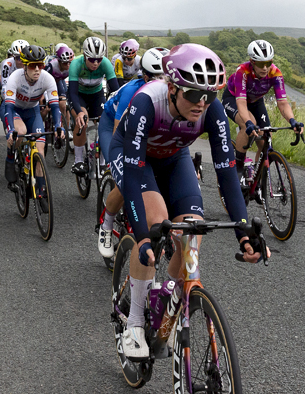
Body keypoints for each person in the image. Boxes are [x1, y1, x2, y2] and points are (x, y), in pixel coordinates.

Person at [110, 43, 267, 358]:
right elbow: (133, 170)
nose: (201, 103)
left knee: (192, 231)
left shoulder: (211, 110)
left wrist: (244, 232)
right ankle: (135, 324)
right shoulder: (147, 102)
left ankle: (166, 295)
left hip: (173, 157)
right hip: (135, 160)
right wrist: (141, 238)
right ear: (171, 88)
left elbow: (227, 175)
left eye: (208, 95)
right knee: (155, 226)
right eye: (193, 95)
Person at [95, 47, 168, 258]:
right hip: (113, 127)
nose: (164, 82)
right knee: (128, 177)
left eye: (167, 77)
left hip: (142, 132)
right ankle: (106, 225)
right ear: (144, 76)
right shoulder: (132, 93)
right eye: (157, 77)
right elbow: (121, 133)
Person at [221, 39, 303, 182]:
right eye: (260, 64)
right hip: (233, 99)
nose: (265, 68)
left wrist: (292, 121)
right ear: (252, 62)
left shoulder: (275, 73)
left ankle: (258, 179)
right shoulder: (243, 71)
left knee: (266, 137)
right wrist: (247, 122)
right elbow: (241, 102)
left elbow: (283, 103)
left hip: (256, 101)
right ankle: (238, 166)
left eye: (268, 63)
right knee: (249, 124)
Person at [2, 44, 63, 192]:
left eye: (40, 65)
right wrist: (11, 131)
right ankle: (11, 156)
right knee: (20, 132)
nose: (37, 69)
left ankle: (41, 189)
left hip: (32, 110)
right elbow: (8, 108)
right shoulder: (15, 78)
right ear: (24, 65)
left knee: (40, 149)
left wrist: (58, 126)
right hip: (14, 110)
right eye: (33, 65)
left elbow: (55, 107)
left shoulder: (47, 78)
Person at [67, 36, 120, 175]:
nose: (96, 63)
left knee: (106, 122)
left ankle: (102, 162)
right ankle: (78, 160)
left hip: (97, 95)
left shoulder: (106, 63)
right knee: (82, 121)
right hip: (79, 95)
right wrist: (78, 112)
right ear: (85, 55)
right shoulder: (76, 64)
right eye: (91, 59)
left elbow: (116, 90)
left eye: (99, 59)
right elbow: (72, 93)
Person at [44, 43, 75, 143]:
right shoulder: (51, 66)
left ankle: (66, 128)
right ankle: (41, 124)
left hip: (59, 81)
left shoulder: (71, 67)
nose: (68, 65)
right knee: (43, 104)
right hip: (48, 83)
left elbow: (73, 84)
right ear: (59, 61)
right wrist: (47, 99)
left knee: (63, 104)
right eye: (65, 63)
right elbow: (42, 83)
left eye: (69, 63)